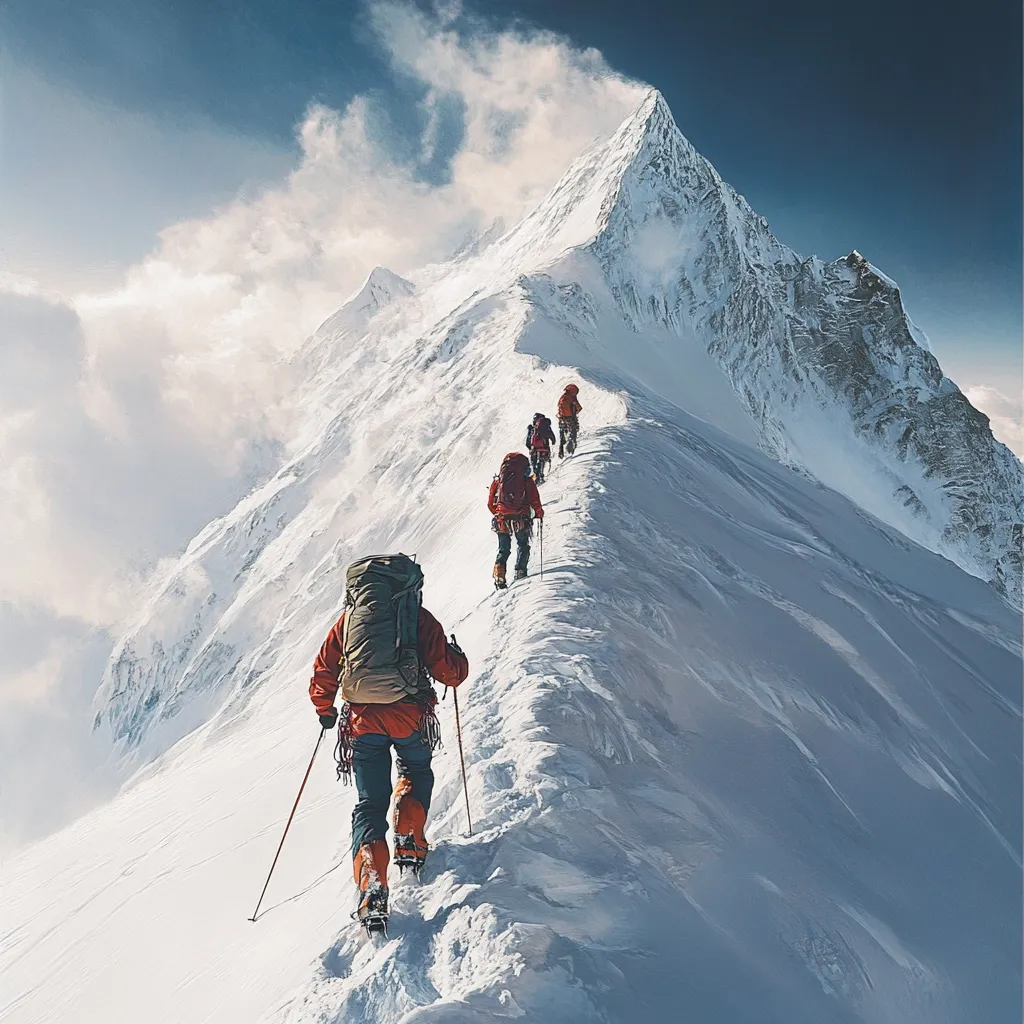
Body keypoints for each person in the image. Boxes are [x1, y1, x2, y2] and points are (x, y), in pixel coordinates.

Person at [309, 553, 468, 928]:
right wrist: (458, 659)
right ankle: (410, 837)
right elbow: (449, 673)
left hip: (362, 723)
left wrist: (325, 709)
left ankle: (371, 884)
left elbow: (324, 668)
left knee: (369, 803)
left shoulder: (348, 621)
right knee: (416, 770)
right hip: (409, 715)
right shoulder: (417, 618)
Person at [487, 452, 544, 587]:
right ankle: (520, 570)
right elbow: (534, 500)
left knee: (503, 548)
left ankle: (500, 573)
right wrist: (539, 513)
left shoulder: (498, 481)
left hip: (502, 519)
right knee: (523, 544)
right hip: (521, 518)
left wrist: (499, 513)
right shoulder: (526, 481)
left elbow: (490, 503)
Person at [525, 412, 556, 484]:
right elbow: (552, 436)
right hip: (545, 448)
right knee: (543, 460)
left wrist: (530, 447)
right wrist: (553, 441)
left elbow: (528, 442)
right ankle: (540, 476)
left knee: (534, 463)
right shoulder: (546, 427)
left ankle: (535, 477)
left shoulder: (532, 428)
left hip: (534, 449)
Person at [557, 384, 582, 458]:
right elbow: (579, 408)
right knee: (573, 431)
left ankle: (561, 448)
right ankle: (570, 449)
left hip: (561, 418)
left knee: (562, 433)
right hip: (570, 418)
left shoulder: (562, 397)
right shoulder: (572, 398)